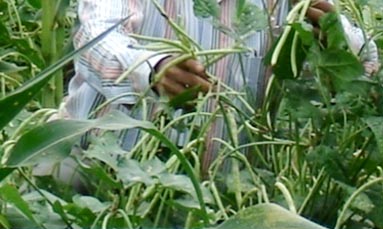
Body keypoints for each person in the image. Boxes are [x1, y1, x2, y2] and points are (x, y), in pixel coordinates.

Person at [50, 0, 378, 187]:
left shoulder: (283, 5)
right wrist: (151, 68)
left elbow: (364, 70)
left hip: (229, 192)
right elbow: (95, 38)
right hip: (99, 178)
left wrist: (332, 33)